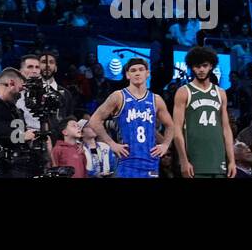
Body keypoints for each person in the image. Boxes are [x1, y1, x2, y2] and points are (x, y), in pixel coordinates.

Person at [86, 58, 173, 179]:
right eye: (133, 70)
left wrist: (165, 145)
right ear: (127, 75)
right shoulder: (118, 96)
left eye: (141, 70)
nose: (137, 73)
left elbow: (170, 125)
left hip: (151, 163)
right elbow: (94, 120)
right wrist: (111, 144)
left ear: (147, 73)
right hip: (126, 162)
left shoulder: (156, 99)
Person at [172, 46, 235, 177]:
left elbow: (226, 129)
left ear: (211, 66)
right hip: (195, 160)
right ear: (191, 67)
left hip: (218, 159)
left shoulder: (220, 93)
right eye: (197, 66)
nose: (201, 70)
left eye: (204, 66)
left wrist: (232, 160)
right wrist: (183, 160)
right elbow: (176, 129)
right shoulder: (183, 92)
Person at [0, 68, 38, 178]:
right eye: (20, 88)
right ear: (11, 84)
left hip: (16, 166)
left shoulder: (15, 110)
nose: (20, 93)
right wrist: (22, 136)